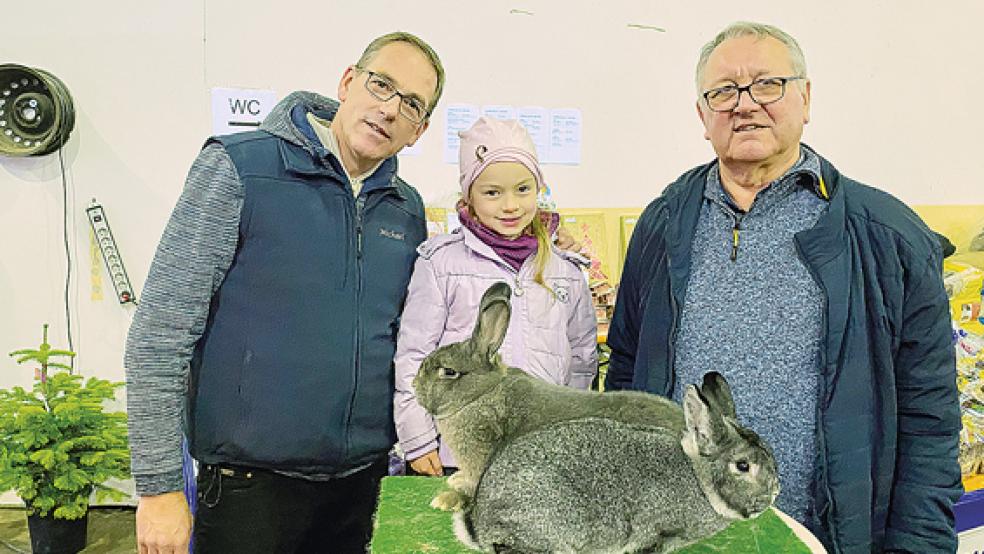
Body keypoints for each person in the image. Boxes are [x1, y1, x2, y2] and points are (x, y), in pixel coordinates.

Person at [606, 21, 962, 553]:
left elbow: (928, 417)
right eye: (723, 91)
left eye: (767, 84)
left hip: (832, 538)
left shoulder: (889, 235)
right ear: (702, 116)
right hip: (680, 537)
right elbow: (627, 373)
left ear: (806, 97)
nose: (744, 104)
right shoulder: (662, 226)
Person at [125, 32, 445, 554]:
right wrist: (158, 488)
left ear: (419, 130)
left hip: (360, 488)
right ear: (347, 82)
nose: (390, 109)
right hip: (249, 489)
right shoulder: (240, 168)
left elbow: (411, 339)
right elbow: (159, 335)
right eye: (381, 85)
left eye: (411, 104)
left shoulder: (405, 210)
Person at [394, 117, 598, 476]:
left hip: (540, 453)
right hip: (458, 454)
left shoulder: (565, 270)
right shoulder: (441, 263)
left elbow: (581, 360)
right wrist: (418, 438)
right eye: (492, 192)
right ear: (469, 197)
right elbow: (414, 356)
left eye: (523, 189)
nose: (510, 205)